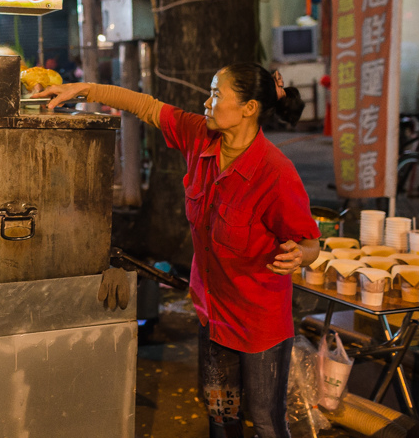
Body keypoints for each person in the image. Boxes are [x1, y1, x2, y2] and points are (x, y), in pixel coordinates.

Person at [38, 63, 320, 438]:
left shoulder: (275, 173)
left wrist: (300, 255)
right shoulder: (200, 136)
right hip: (213, 314)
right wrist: (83, 89)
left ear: (249, 108)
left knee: (267, 422)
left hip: (259, 325)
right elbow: (146, 106)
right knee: (221, 415)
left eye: (217, 95)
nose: (207, 102)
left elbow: (310, 242)